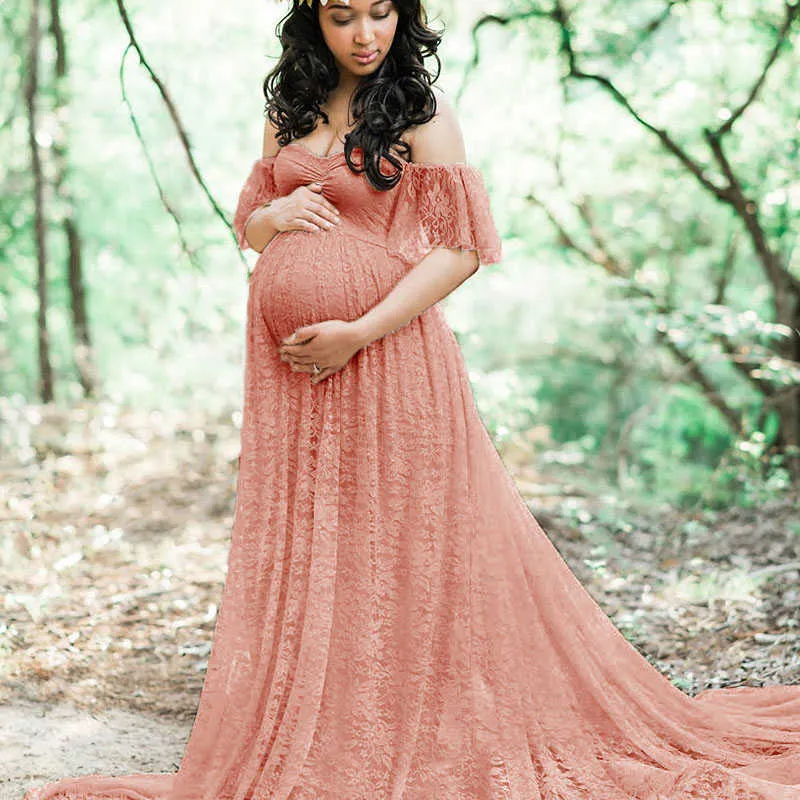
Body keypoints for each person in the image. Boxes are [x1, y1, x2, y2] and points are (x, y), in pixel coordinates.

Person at [22, 0, 800, 798]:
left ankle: (407, 723)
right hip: (296, 388)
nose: (364, 34)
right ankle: (330, 717)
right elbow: (249, 228)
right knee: (324, 545)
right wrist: (272, 215)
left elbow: (462, 251)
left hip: (390, 366)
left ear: (404, 16)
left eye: (381, 13)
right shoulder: (287, 107)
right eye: (342, 16)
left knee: (401, 546)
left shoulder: (420, 111)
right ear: (313, 22)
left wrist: (357, 330)